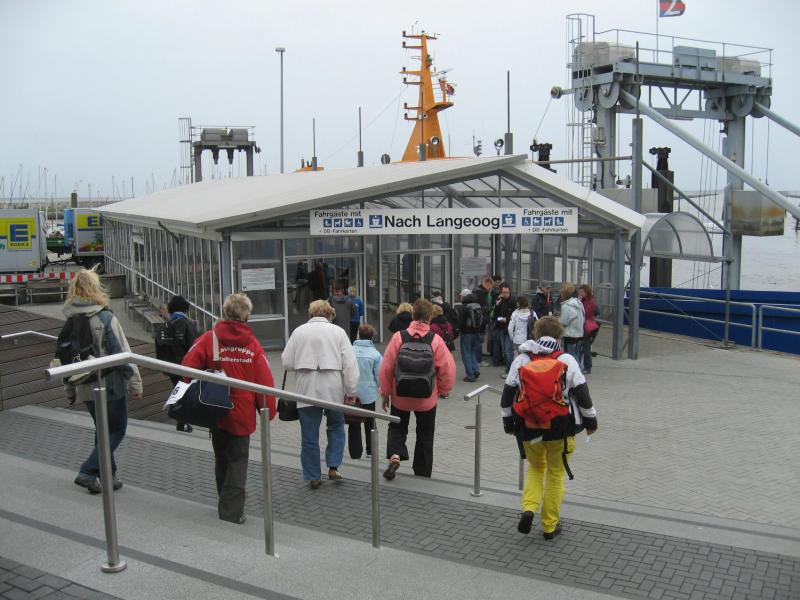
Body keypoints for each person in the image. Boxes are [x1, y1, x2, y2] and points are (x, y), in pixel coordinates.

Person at [182, 293, 276, 524]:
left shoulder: (210, 339)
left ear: (225, 313)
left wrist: (194, 389)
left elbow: (186, 368)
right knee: (238, 460)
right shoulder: (253, 346)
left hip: (215, 407)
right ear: (247, 316)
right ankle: (231, 511)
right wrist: (269, 410)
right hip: (242, 412)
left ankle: (225, 500)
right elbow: (265, 381)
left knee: (221, 457)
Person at [500, 316, 597, 540]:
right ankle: (549, 525)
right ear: (559, 336)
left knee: (535, 468)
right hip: (560, 428)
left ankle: (529, 508)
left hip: (529, 427)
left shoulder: (522, 359)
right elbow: (583, 395)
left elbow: (506, 397)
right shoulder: (566, 359)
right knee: (555, 473)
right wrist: (591, 422)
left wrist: (508, 423)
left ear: (536, 333)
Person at [67, 270, 143, 495]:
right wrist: (135, 383)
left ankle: (109, 476)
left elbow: (64, 358)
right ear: (96, 288)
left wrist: (70, 390)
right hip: (110, 385)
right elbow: (123, 354)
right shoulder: (105, 318)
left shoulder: (71, 320)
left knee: (102, 431)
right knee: (117, 429)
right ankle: (88, 472)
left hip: (84, 385)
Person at [282, 299, 359, 489]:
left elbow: (287, 362)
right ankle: (333, 466)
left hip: (306, 388)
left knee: (309, 435)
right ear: (330, 314)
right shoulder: (338, 332)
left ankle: (313, 476)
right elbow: (350, 364)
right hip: (333, 388)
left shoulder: (299, 332)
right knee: (336, 426)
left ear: (310, 314)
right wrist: (351, 391)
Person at [380, 299, 456, 479]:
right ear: (430, 318)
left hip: (400, 395)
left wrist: (385, 393)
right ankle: (422, 473)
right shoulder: (435, 340)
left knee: (397, 427)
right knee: (425, 434)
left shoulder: (399, 337)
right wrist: (444, 390)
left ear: (413, 316)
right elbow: (448, 369)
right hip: (426, 398)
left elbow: (386, 368)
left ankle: (395, 454)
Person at [155, 295, 199, 433]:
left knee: (180, 390)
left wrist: (162, 366)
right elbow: (195, 346)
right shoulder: (187, 325)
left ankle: (182, 421)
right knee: (185, 392)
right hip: (186, 367)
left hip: (170, 367)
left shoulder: (163, 327)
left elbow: (159, 347)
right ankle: (180, 418)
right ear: (185, 309)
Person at [349, 323, 381, 459]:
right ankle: (370, 451)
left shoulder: (349, 350)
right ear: (372, 337)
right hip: (368, 395)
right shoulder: (375, 354)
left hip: (352, 393)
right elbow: (379, 376)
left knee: (353, 423)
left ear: (358, 335)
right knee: (370, 423)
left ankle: (355, 453)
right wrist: (382, 390)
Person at [457, 288, 483, 383]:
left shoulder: (464, 307)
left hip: (466, 333)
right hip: (476, 332)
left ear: (464, 296)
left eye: (461, 296)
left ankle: (470, 375)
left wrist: (458, 330)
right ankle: (475, 369)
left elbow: (460, 321)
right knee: (472, 352)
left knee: (466, 354)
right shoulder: (477, 305)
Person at [491, 283, 516, 373]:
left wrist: (507, 319)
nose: (505, 294)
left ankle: (509, 371)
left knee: (508, 351)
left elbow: (515, 315)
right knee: (504, 351)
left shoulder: (513, 301)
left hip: (509, 329)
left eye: (507, 292)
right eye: (503, 292)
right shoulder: (500, 301)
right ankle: (508, 370)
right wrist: (497, 306)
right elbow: (495, 316)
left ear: (510, 292)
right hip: (501, 328)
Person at [558, 283, 585, 365]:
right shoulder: (579, 303)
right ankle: (578, 370)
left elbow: (564, 322)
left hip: (570, 335)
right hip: (579, 333)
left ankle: (578, 370)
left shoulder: (566, 306)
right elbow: (583, 317)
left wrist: (558, 320)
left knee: (571, 356)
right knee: (577, 355)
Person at [471, 276, 495, 366]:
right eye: (490, 287)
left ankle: (476, 358)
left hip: (476, 320)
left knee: (477, 340)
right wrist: (492, 307)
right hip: (481, 320)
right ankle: (479, 360)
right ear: (487, 284)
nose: (490, 289)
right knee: (479, 340)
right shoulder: (481, 293)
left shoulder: (475, 291)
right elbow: (483, 308)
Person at [579, 284, 599, 374]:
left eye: (582, 292)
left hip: (587, 327)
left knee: (586, 347)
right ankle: (584, 365)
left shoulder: (590, 302)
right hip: (585, 325)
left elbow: (585, 313)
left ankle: (587, 367)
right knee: (584, 346)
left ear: (586, 292)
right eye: (580, 292)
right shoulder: (584, 300)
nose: (580, 293)